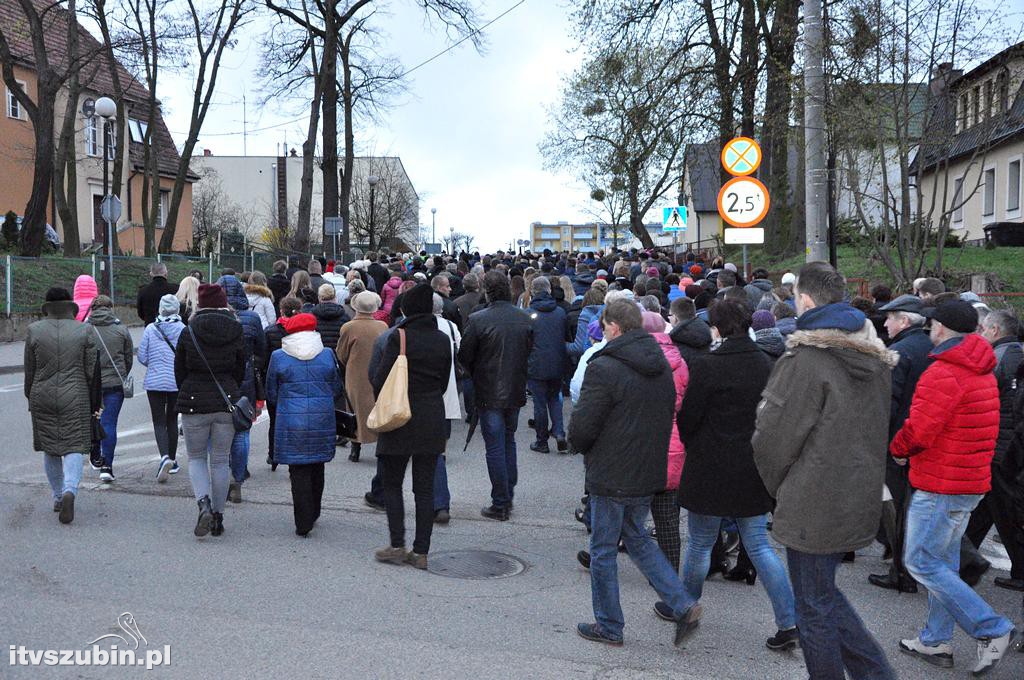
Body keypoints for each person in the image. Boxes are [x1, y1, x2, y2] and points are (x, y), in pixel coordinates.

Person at [753, 262, 898, 680]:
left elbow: (773, 438)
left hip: (813, 499)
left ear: (806, 300)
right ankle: (876, 675)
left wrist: (782, 487)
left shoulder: (807, 359)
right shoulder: (873, 356)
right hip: (858, 491)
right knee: (822, 595)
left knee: (813, 607)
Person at [890, 300, 1017, 674]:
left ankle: (992, 628)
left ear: (940, 327)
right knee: (942, 561)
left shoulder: (945, 371)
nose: (929, 328)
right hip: (968, 480)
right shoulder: (981, 366)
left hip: (941, 482)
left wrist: (898, 450)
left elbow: (920, 429)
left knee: (920, 561)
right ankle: (934, 640)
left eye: (932, 324)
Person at [568, 300, 703, 647]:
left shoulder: (605, 367)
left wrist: (578, 443)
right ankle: (683, 602)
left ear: (613, 327)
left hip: (613, 471)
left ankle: (610, 625)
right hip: (647, 467)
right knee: (638, 538)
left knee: (602, 549)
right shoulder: (661, 363)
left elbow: (584, 424)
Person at [676, 298, 798, 651]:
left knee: (700, 543)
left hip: (709, 465)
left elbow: (688, 418)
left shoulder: (706, 365)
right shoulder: (766, 363)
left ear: (715, 328)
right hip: (752, 465)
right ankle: (788, 622)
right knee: (759, 544)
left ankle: (687, 609)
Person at [371, 284, 451, 570]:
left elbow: (380, 379)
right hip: (431, 416)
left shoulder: (399, 337)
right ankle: (421, 551)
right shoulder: (443, 339)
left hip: (399, 417)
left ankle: (397, 544)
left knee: (392, 483)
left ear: (407, 308)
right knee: (425, 488)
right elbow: (444, 381)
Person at [868, 294, 933, 594]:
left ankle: (901, 571)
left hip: (898, 441)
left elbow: (887, 402)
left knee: (895, 506)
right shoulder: (930, 347)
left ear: (904, 320)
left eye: (891, 318)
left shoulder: (900, 352)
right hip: (922, 438)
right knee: (913, 506)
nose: (886, 323)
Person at [459, 271, 533, 520]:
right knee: (507, 441)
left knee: (496, 445)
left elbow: (465, 355)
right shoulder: (523, 318)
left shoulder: (479, 319)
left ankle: (501, 501)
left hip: (490, 390)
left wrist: (476, 372)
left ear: (487, 291)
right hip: (513, 388)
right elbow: (529, 350)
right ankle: (506, 495)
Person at [175, 283, 246, 537]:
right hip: (225, 397)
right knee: (219, 459)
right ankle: (218, 516)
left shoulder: (189, 330)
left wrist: (187, 388)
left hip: (194, 398)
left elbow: (179, 369)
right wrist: (231, 388)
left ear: (200, 303)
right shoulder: (236, 329)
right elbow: (241, 367)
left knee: (195, 457)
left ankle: (203, 504)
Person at [265, 312, 342, 536]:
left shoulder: (279, 356)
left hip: (291, 418)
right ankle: (314, 511)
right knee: (317, 465)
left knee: (297, 469)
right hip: (321, 417)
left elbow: (272, 391)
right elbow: (336, 387)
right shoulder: (327, 354)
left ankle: (303, 520)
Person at [25, 287, 98, 524]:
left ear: (47, 306)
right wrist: (95, 400)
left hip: (42, 395)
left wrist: (30, 396)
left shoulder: (34, 330)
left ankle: (57, 496)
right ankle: (70, 491)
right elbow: (91, 370)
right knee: (73, 445)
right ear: (70, 305)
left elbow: (30, 370)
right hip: (75, 394)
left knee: (50, 446)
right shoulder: (84, 330)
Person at [964, 310, 1024, 590]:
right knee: (988, 507)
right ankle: (963, 559)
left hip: (1001, 447)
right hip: (1005, 446)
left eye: (983, 329)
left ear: (996, 329)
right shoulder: (1016, 352)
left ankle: (1020, 570)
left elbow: (1004, 406)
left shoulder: (1000, 358)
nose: (980, 334)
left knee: (1005, 509)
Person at [218, 274, 267, 502]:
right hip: (245, 376)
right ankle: (238, 475)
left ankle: (223, 471)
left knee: (218, 427)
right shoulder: (252, 318)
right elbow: (262, 349)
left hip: (219, 378)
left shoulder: (213, 317)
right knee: (242, 428)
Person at [137, 294, 185, 481]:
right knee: (172, 420)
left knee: (158, 421)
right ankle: (172, 460)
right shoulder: (182, 328)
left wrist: (154, 364)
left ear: (160, 309)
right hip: (175, 381)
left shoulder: (151, 328)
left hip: (154, 381)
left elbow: (142, 356)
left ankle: (164, 456)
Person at [87, 295, 134, 482]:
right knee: (109, 424)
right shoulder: (121, 329)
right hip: (114, 384)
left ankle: (95, 453)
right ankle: (107, 466)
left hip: (91, 386)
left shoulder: (85, 330)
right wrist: (121, 375)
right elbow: (128, 358)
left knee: (93, 420)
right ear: (110, 308)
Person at [337, 292, 388, 463]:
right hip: (378, 372)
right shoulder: (382, 326)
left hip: (355, 373)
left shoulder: (348, 327)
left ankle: (355, 448)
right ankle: (381, 445)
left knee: (355, 408)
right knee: (377, 406)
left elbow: (341, 354)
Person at [526, 276, 568, 454]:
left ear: (533, 291)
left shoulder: (528, 314)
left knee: (540, 402)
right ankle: (559, 432)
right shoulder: (560, 312)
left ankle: (541, 441)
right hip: (557, 361)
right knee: (554, 399)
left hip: (536, 364)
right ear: (549, 290)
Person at [264, 296, 303, 470]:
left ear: (281, 310)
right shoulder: (303, 333)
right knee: (295, 421)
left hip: (276, 380)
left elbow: (264, 357)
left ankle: (273, 454)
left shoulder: (271, 331)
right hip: (296, 381)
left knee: (274, 421)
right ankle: (293, 455)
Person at [433, 292, 462, 523]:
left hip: (420, 397)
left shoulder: (407, 331)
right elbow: (460, 351)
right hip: (447, 388)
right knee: (437, 450)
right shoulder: (451, 327)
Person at [136, 262, 179, 326]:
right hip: (171, 326)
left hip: (150, 326)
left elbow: (140, 313)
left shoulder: (143, 291)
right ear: (166, 273)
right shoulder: (175, 289)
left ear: (151, 274)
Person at [312, 283, 349, 352]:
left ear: (319, 298)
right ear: (335, 297)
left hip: (319, 355)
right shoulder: (344, 316)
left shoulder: (311, 316)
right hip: (338, 355)